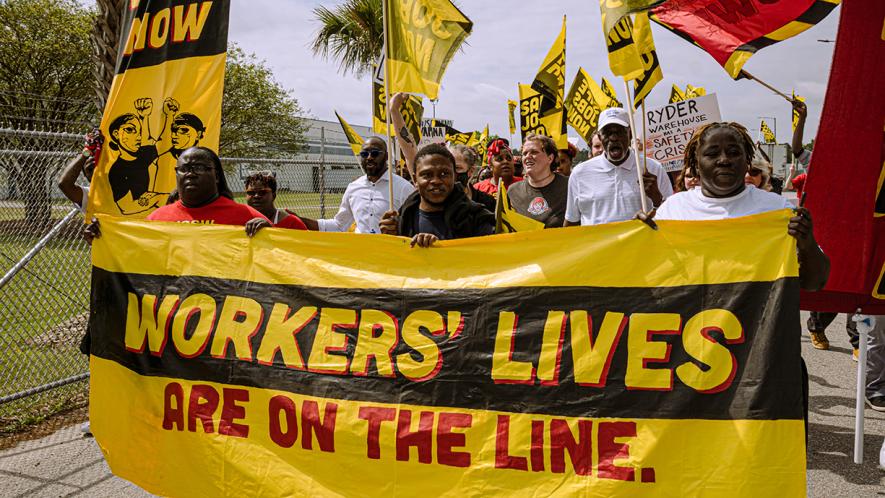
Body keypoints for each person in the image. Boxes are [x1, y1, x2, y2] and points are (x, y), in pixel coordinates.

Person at [653, 122, 829, 291]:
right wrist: (642, 234)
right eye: (712, 154)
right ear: (696, 164)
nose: (724, 160)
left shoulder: (777, 210)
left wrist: (807, 243)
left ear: (747, 161)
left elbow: (814, 284)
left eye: (734, 152)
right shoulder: (673, 210)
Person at [84, 147, 270, 244]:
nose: (190, 173)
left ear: (217, 176)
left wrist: (268, 232)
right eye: (184, 169)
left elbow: (281, 260)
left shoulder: (246, 216)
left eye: (198, 167)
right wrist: (103, 238)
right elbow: (133, 255)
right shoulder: (158, 218)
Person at [564, 108, 673, 226]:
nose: (614, 138)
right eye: (607, 133)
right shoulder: (580, 173)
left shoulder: (653, 168)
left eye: (619, 132)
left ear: (630, 134)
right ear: (600, 138)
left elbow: (673, 215)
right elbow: (571, 222)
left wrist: (657, 198)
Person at [379, 144, 495, 247]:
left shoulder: (477, 219)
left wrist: (439, 248)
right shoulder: (403, 220)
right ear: (415, 179)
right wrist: (390, 238)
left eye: (444, 174)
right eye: (427, 175)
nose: (436, 181)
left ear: (454, 176)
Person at [308, 137, 414, 234]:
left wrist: (399, 228)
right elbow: (339, 225)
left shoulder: (404, 188)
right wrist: (299, 220)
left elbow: (416, 227)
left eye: (375, 153)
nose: (369, 157)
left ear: (386, 156)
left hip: (390, 252)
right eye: (364, 154)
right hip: (360, 252)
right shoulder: (353, 187)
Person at [507, 133, 568, 228]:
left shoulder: (569, 186)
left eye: (534, 152)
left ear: (550, 158)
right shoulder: (513, 191)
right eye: (524, 153)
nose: (528, 156)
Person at [243, 171, 308, 230]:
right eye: (251, 192)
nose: (256, 196)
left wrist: (272, 230)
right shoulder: (240, 221)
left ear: (273, 196)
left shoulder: (292, 223)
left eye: (262, 192)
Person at [58, 129, 102, 213]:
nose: (96, 172)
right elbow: (64, 184)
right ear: (85, 175)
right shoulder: (89, 195)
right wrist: (86, 152)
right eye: (90, 170)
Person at [450, 144, 495, 212]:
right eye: (448, 168)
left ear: (471, 171)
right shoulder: (437, 203)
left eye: (457, 168)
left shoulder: (487, 202)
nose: (451, 172)